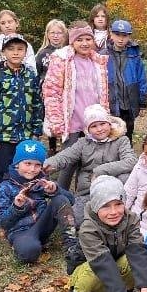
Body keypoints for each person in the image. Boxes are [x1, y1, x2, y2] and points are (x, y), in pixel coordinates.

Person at [65, 175, 147, 292]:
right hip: (92, 267)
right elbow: (103, 265)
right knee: (92, 271)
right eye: (105, 206)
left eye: (118, 204)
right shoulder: (88, 229)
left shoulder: (131, 219)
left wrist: (145, 289)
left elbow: (138, 252)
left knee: (134, 259)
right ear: (95, 206)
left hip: (115, 263)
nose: (114, 211)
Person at [43, 103, 136, 240]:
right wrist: (49, 163)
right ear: (87, 129)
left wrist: (101, 170)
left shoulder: (121, 140)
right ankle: (95, 224)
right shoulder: (83, 143)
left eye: (102, 124)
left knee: (125, 176)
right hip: (89, 191)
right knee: (77, 220)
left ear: (109, 123)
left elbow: (131, 161)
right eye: (94, 126)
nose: (99, 129)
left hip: (114, 193)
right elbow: (66, 155)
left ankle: (118, 219)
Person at [42, 22, 109, 189]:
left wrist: (105, 116)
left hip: (92, 122)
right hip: (72, 121)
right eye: (80, 40)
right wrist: (56, 120)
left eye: (88, 39)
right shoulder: (62, 60)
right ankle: (58, 195)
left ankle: (82, 196)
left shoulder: (98, 61)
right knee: (68, 160)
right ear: (72, 42)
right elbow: (52, 91)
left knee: (89, 161)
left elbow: (103, 92)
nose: (85, 43)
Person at [0, 139, 75, 264]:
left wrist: (55, 190)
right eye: (27, 163)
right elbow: (1, 222)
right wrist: (16, 207)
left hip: (42, 227)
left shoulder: (42, 181)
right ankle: (27, 245)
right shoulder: (4, 187)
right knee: (29, 252)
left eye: (37, 165)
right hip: (19, 232)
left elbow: (70, 200)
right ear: (17, 164)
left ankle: (72, 244)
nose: (32, 169)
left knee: (60, 198)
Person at [0, 33, 44, 185]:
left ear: (25, 52)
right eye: (11, 49)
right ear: (3, 53)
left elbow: (37, 104)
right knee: (4, 172)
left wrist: (36, 131)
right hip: (3, 137)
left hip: (26, 135)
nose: (15, 52)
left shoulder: (30, 76)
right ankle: (3, 205)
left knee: (27, 171)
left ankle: (26, 203)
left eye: (20, 49)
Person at [103, 19, 147, 142]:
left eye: (124, 36)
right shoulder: (103, 55)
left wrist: (143, 102)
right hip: (112, 101)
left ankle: (127, 154)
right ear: (111, 34)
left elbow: (142, 79)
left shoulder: (135, 55)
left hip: (129, 102)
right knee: (112, 131)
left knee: (128, 130)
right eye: (117, 35)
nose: (120, 39)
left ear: (129, 36)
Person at [35, 19, 68, 156]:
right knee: (51, 117)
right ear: (47, 34)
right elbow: (37, 72)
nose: (55, 36)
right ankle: (52, 147)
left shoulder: (68, 51)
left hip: (65, 90)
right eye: (52, 33)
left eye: (59, 33)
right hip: (48, 93)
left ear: (64, 34)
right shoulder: (42, 53)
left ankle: (66, 146)